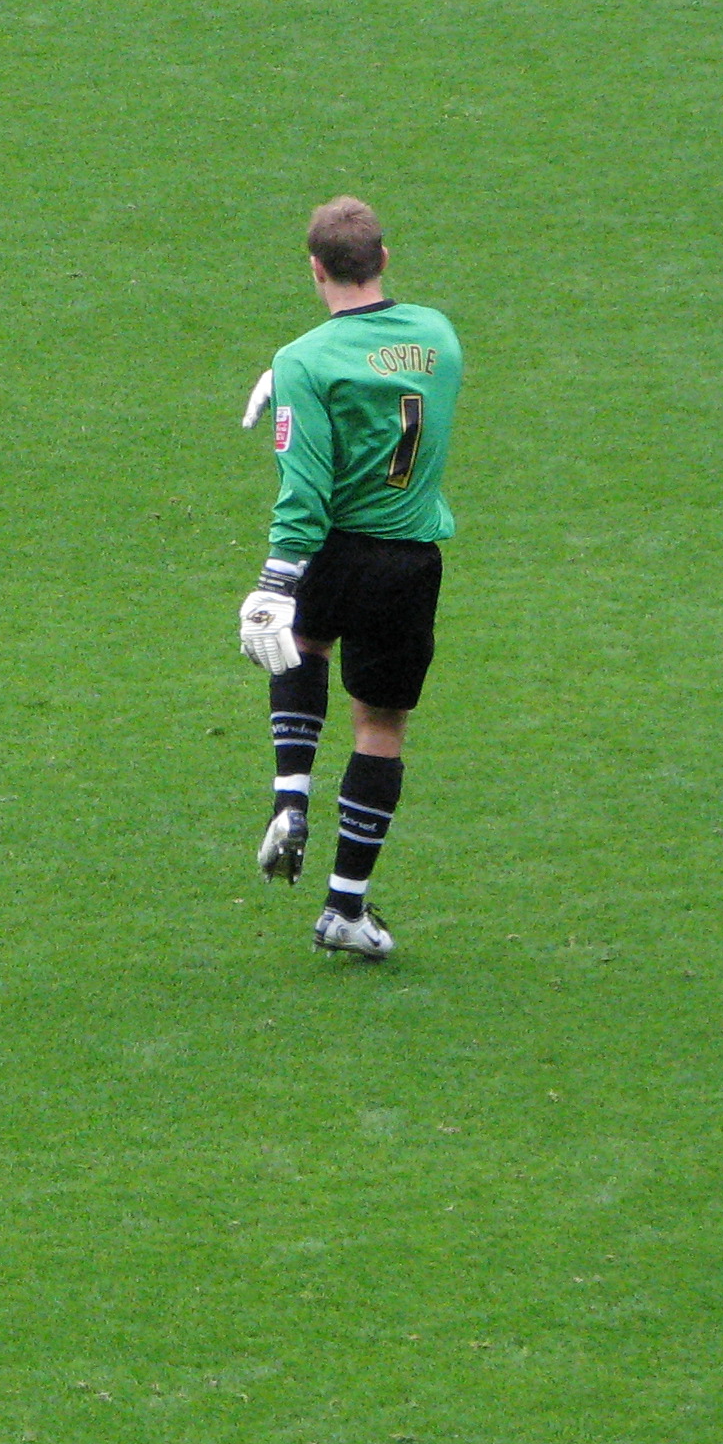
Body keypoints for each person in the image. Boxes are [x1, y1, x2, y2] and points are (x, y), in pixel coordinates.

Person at [235, 197, 465, 960]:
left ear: (314, 268)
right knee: (380, 729)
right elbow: (378, 369)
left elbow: (305, 490)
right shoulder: (438, 335)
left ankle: (289, 794)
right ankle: (346, 908)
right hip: (408, 561)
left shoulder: (306, 359)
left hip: (334, 550)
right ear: (384, 259)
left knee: (301, 640)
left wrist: (273, 581)